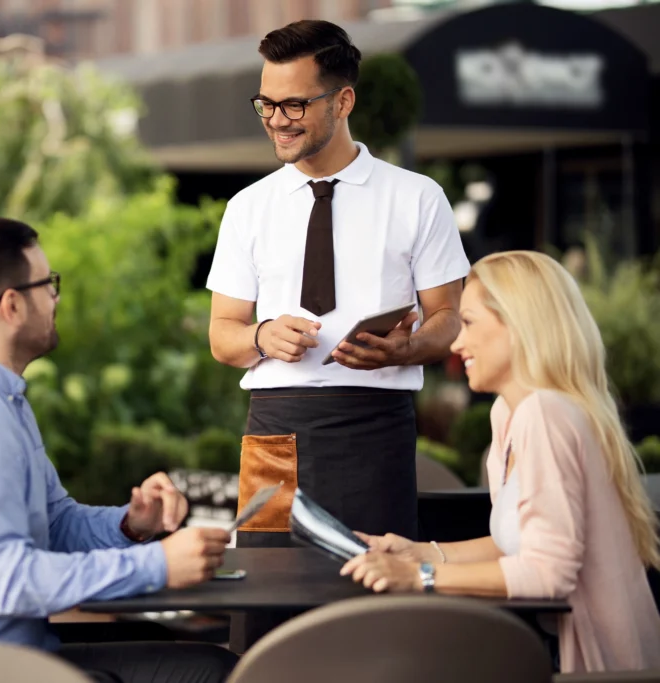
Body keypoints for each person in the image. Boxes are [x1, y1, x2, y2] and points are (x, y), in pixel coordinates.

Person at [0, 217, 239, 683]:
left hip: (15, 657)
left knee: (214, 668)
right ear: (11, 305)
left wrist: (131, 525)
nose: (55, 298)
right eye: (47, 284)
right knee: (216, 675)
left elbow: (54, 523)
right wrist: (155, 565)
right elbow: (7, 582)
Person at [205, 19, 470, 648]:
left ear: (342, 100)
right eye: (266, 104)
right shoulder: (249, 207)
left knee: (374, 606)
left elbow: (450, 320)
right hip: (273, 429)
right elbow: (222, 335)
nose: (277, 119)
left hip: (373, 426)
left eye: (294, 103)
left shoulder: (417, 198)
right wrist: (263, 336)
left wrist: (405, 348)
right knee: (264, 597)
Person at [341, 250, 660, 673]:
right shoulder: (509, 414)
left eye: (468, 322)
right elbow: (521, 543)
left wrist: (419, 578)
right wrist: (420, 553)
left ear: (519, 325)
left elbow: (548, 573)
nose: (456, 343)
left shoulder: (544, 414)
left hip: (596, 667)